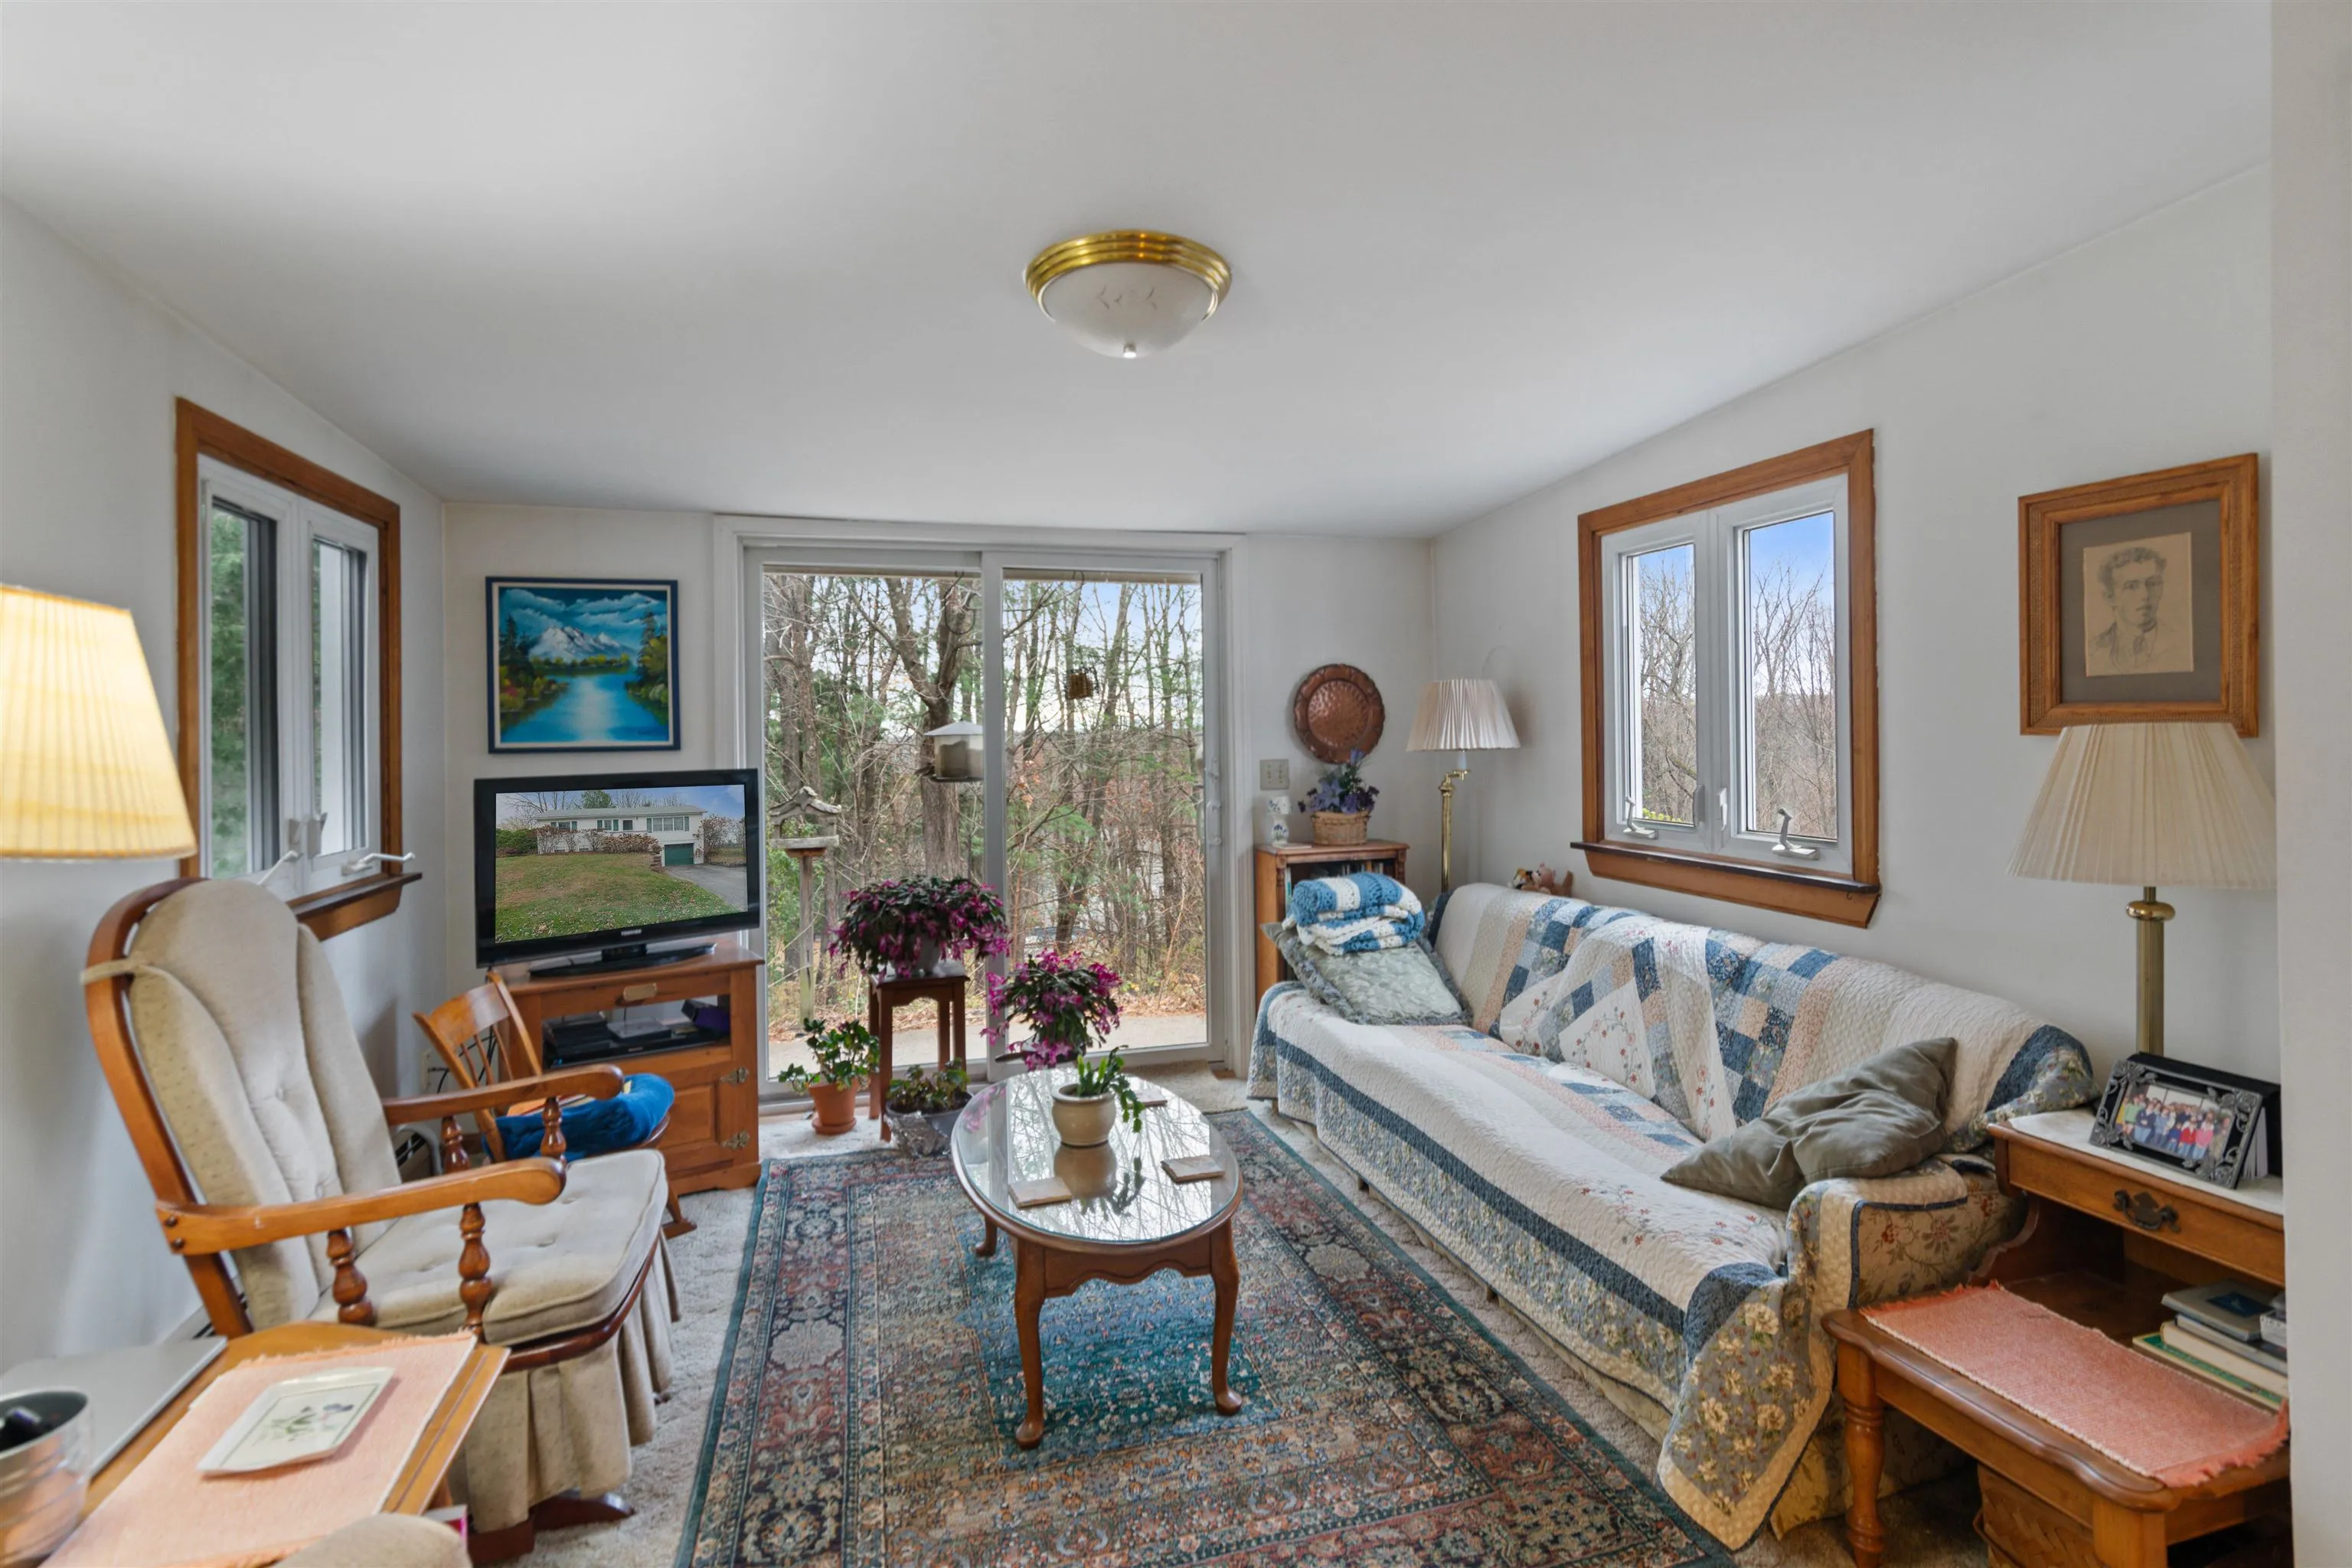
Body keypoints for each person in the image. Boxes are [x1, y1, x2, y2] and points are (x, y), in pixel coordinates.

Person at [2086, 541, 2193, 676]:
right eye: (2132, 586)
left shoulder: (2184, 646)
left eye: (2153, 584)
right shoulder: (2092, 652)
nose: (2145, 595)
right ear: (2110, 597)